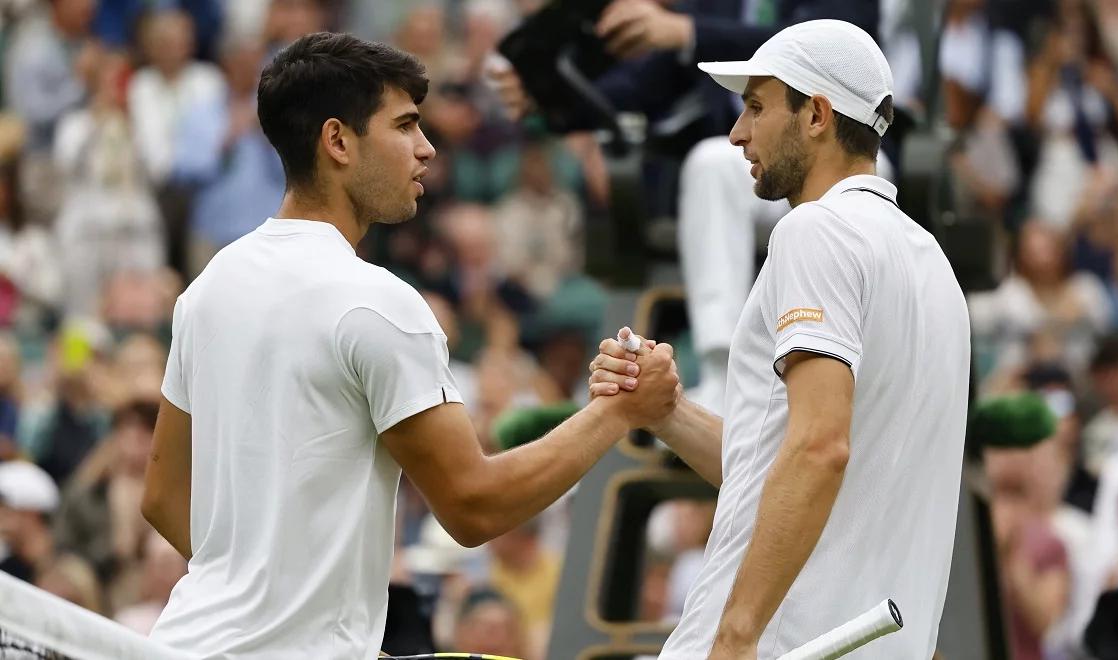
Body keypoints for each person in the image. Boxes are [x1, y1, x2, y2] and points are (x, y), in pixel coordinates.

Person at [140, 32, 680, 659]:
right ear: (338, 141)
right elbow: (473, 506)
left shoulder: (207, 289)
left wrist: (264, 593)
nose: (426, 150)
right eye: (405, 127)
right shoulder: (379, 303)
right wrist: (617, 411)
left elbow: (162, 498)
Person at [588, 20, 970, 659]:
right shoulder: (933, 264)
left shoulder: (815, 231)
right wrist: (669, 413)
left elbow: (819, 447)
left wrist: (736, 637)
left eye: (757, 107)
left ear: (816, 115)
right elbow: (786, 467)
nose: (737, 132)